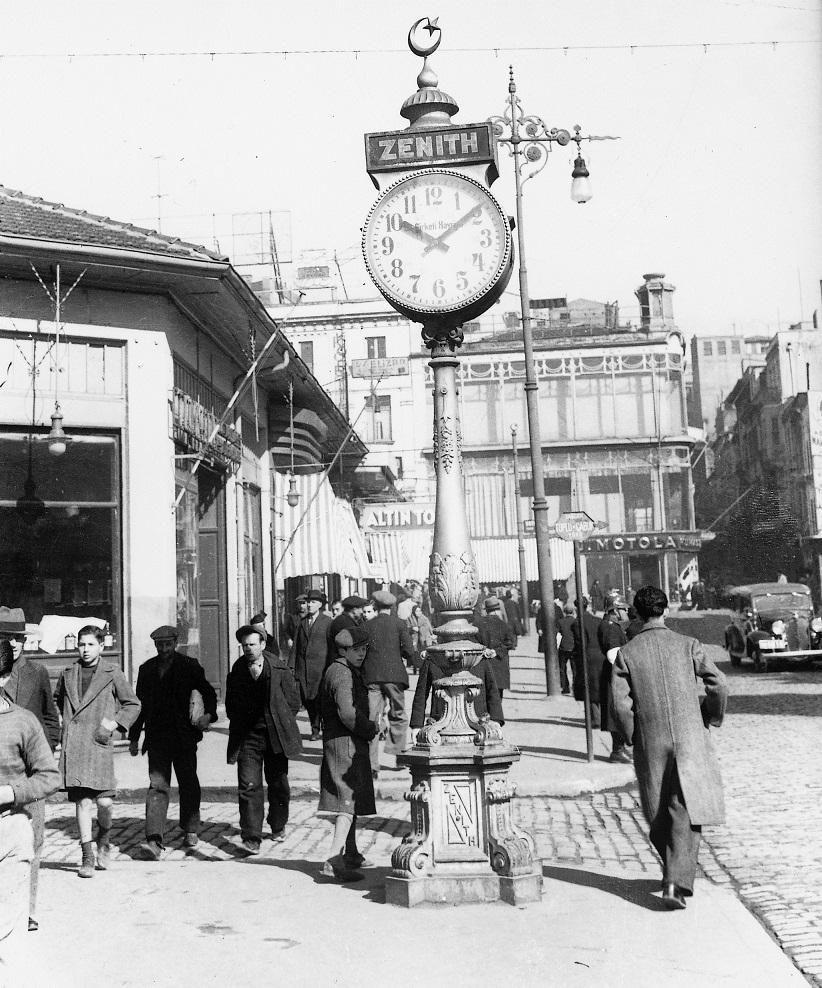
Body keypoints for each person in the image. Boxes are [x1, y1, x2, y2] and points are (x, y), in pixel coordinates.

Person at [611, 585, 727, 909]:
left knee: (657, 809)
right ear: (665, 611)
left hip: (652, 740)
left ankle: (673, 877)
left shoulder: (627, 653)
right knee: (685, 807)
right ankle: (676, 881)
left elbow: (620, 705)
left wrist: (634, 734)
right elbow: (719, 683)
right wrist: (710, 714)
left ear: (637, 612)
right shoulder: (688, 644)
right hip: (691, 737)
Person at [54, 625, 141, 878]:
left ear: (101, 646)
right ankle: (87, 855)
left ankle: (104, 837)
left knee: (104, 802)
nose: (85, 649)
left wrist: (114, 723)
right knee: (82, 802)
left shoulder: (112, 672)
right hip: (76, 746)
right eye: (82, 644)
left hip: (98, 744)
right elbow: (60, 700)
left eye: (91, 644)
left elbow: (132, 704)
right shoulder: (68, 672)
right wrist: (67, 725)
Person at [128, 625, 217, 859]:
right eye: (160, 645)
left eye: (168, 644)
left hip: (184, 737)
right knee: (157, 786)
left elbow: (209, 694)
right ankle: (154, 839)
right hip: (157, 737)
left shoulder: (189, 666)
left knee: (188, 782)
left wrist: (208, 715)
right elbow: (140, 706)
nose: (164, 649)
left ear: (175, 643)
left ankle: (190, 828)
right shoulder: (146, 670)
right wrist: (134, 736)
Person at [0, 638, 60, 976]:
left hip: (10, 831)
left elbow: (48, 777)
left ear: (6, 677)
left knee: (8, 934)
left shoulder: (24, 722)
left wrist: (10, 792)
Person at [225, 625, 302, 855]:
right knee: (249, 785)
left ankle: (278, 825)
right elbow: (231, 704)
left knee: (278, 784)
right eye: (245, 645)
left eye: (253, 644)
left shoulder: (278, 668)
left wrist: (281, 719)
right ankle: (251, 837)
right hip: (248, 737)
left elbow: (293, 701)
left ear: (263, 645)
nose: (248, 649)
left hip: (276, 735)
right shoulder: (237, 669)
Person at [317, 626, 379, 881]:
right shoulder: (342, 675)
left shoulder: (338, 669)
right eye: (356, 649)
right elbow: (347, 713)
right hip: (346, 742)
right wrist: (370, 728)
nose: (362, 654)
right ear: (342, 650)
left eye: (364, 649)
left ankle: (351, 852)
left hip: (342, 740)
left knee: (350, 797)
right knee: (346, 798)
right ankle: (334, 859)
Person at [363, 591, 413, 778]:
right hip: (394, 676)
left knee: (372, 718)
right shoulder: (399, 624)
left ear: (374, 606)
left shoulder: (367, 626)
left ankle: (371, 765)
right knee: (398, 715)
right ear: (392, 607)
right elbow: (408, 651)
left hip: (372, 677)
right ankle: (398, 755)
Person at [411, 639, 504, 732]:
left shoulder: (478, 657)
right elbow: (421, 693)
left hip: (478, 721)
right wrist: (416, 725)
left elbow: (492, 689)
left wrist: (496, 720)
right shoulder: (433, 659)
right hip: (440, 723)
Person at [293, 590, 333, 740]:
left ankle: (324, 727)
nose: (309, 605)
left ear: (320, 605)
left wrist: (330, 666)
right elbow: (296, 647)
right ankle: (314, 729)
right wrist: (292, 667)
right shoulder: (302, 622)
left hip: (320, 668)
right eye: (308, 602)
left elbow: (331, 646)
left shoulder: (327, 622)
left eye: (313, 602)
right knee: (308, 700)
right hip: (303, 669)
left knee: (320, 700)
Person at [598, 598, 632, 764]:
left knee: (617, 712)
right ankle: (617, 751)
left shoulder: (610, 626)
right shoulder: (611, 628)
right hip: (614, 677)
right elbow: (613, 654)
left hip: (612, 675)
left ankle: (620, 748)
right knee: (617, 713)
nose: (625, 612)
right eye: (623, 609)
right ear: (615, 610)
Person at [570, 597, 608, 732]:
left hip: (587, 658)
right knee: (601, 687)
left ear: (576, 608)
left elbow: (580, 644)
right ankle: (603, 718)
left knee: (589, 689)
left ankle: (594, 719)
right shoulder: (598, 621)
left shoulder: (577, 623)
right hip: (601, 656)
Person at [475, 596, 516, 702]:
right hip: (499, 663)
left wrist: (484, 650)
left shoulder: (478, 625)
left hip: (483, 663)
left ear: (486, 610)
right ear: (498, 609)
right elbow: (510, 643)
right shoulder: (504, 625)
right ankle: (497, 716)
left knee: (485, 694)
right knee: (498, 695)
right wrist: (496, 651)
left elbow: (474, 642)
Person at [326, 595, 367, 664]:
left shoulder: (347, 620)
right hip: (342, 664)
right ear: (354, 610)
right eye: (361, 608)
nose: (362, 612)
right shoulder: (344, 623)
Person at [557, 602, 577, 695]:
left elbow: (558, 634)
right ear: (573, 612)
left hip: (563, 647)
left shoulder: (560, 621)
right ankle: (575, 687)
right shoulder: (576, 621)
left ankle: (565, 687)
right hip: (574, 647)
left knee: (562, 668)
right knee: (575, 669)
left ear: (564, 612)